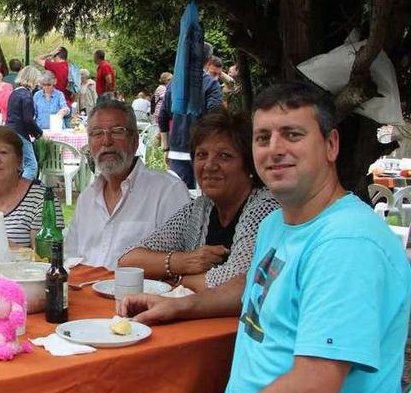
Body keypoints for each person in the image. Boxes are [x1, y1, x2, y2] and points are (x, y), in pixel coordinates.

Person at [114, 82, 411, 393]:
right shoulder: (277, 224)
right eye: (263, 138)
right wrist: (180, 306)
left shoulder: (347, 245)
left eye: (292, 134)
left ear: (331, 145)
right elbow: (249, 292)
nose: (275, 150)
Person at [119, 112, 280, 291]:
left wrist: (177, 280)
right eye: (202, 155)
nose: (209, 165)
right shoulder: (199, 209)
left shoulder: (265, 208)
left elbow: (238, 281)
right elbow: (128, 261)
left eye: (224, 156)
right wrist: (183, 262)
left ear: (249, 164)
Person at [64, 99, 189, 269]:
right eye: (97, 133)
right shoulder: (87, 198)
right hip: (83, 292)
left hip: (140, 294)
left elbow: (184, 263)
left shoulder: (167, 192)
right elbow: (70, 257)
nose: (106, 141)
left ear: (135, 141)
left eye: (117, 131)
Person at [158, 42, 223, 189]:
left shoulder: (174, 83)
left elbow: (162, 116)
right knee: (203, 199)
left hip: (177, 150)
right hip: (202, 151)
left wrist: (166, 147)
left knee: (179, 198)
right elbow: (215, 117)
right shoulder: (211, 84)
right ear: (209, 59)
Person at [6, 66, 42, 180]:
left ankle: (14, 189)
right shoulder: (26, 95)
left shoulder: (14, 93)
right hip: (20, 132)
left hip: (10, 130)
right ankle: (22, 190)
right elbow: (28, 119)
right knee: (31, 165)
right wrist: (38, 132)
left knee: (19, 165)